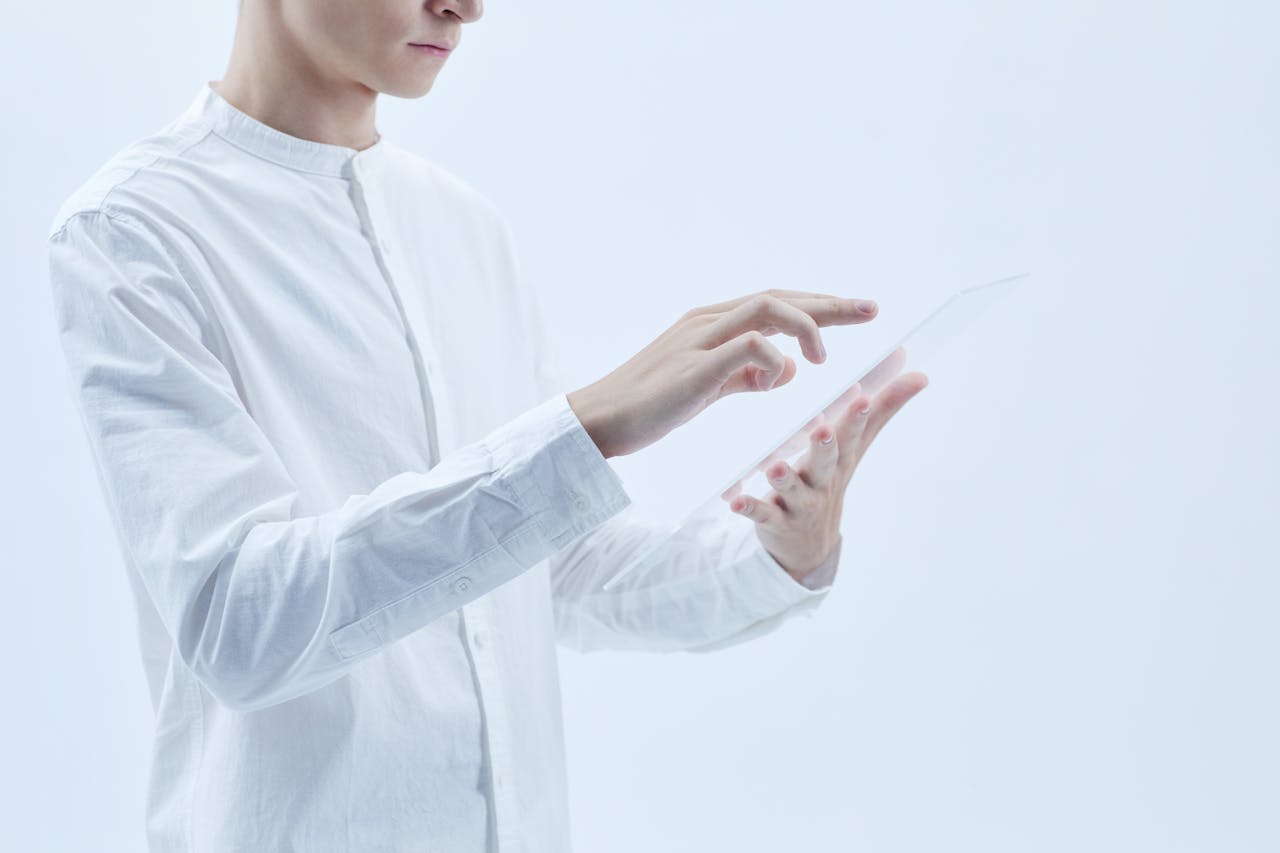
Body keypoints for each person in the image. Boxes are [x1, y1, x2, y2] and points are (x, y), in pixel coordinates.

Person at [45, 1, 927, 850]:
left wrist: (781, 553)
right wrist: (579, 431)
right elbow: (237, 624)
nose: (466, 7)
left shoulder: (463, 224)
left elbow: (558, 571)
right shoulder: (133, 230)